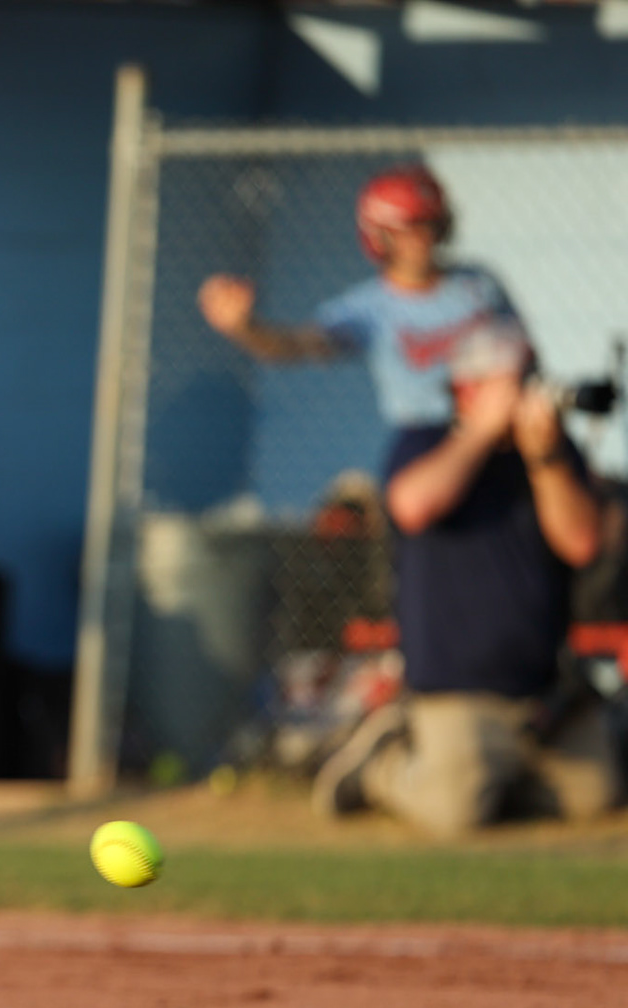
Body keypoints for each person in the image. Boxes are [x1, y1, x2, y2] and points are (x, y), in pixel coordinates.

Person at [312, 318, 612, 834]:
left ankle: (498, 783)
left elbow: (582, 542)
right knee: (457, 814)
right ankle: (381, 766)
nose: (526, 388)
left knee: (596, 795)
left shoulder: (551, 454)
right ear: (468, 386)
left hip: (542, 694)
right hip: (456, 692)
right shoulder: (422, 439)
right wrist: (480, 430)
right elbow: (411, 506)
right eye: (513, 378)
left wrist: (544, 458)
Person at [198, 165, 525, 437]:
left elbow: (523, 349)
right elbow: (299, 344)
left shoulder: (479, 283)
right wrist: (247, 328)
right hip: (430, 433)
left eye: (430, 225)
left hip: (507, 426)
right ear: (380, 237)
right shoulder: (369, 308)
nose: (423, 240)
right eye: (408, 230)